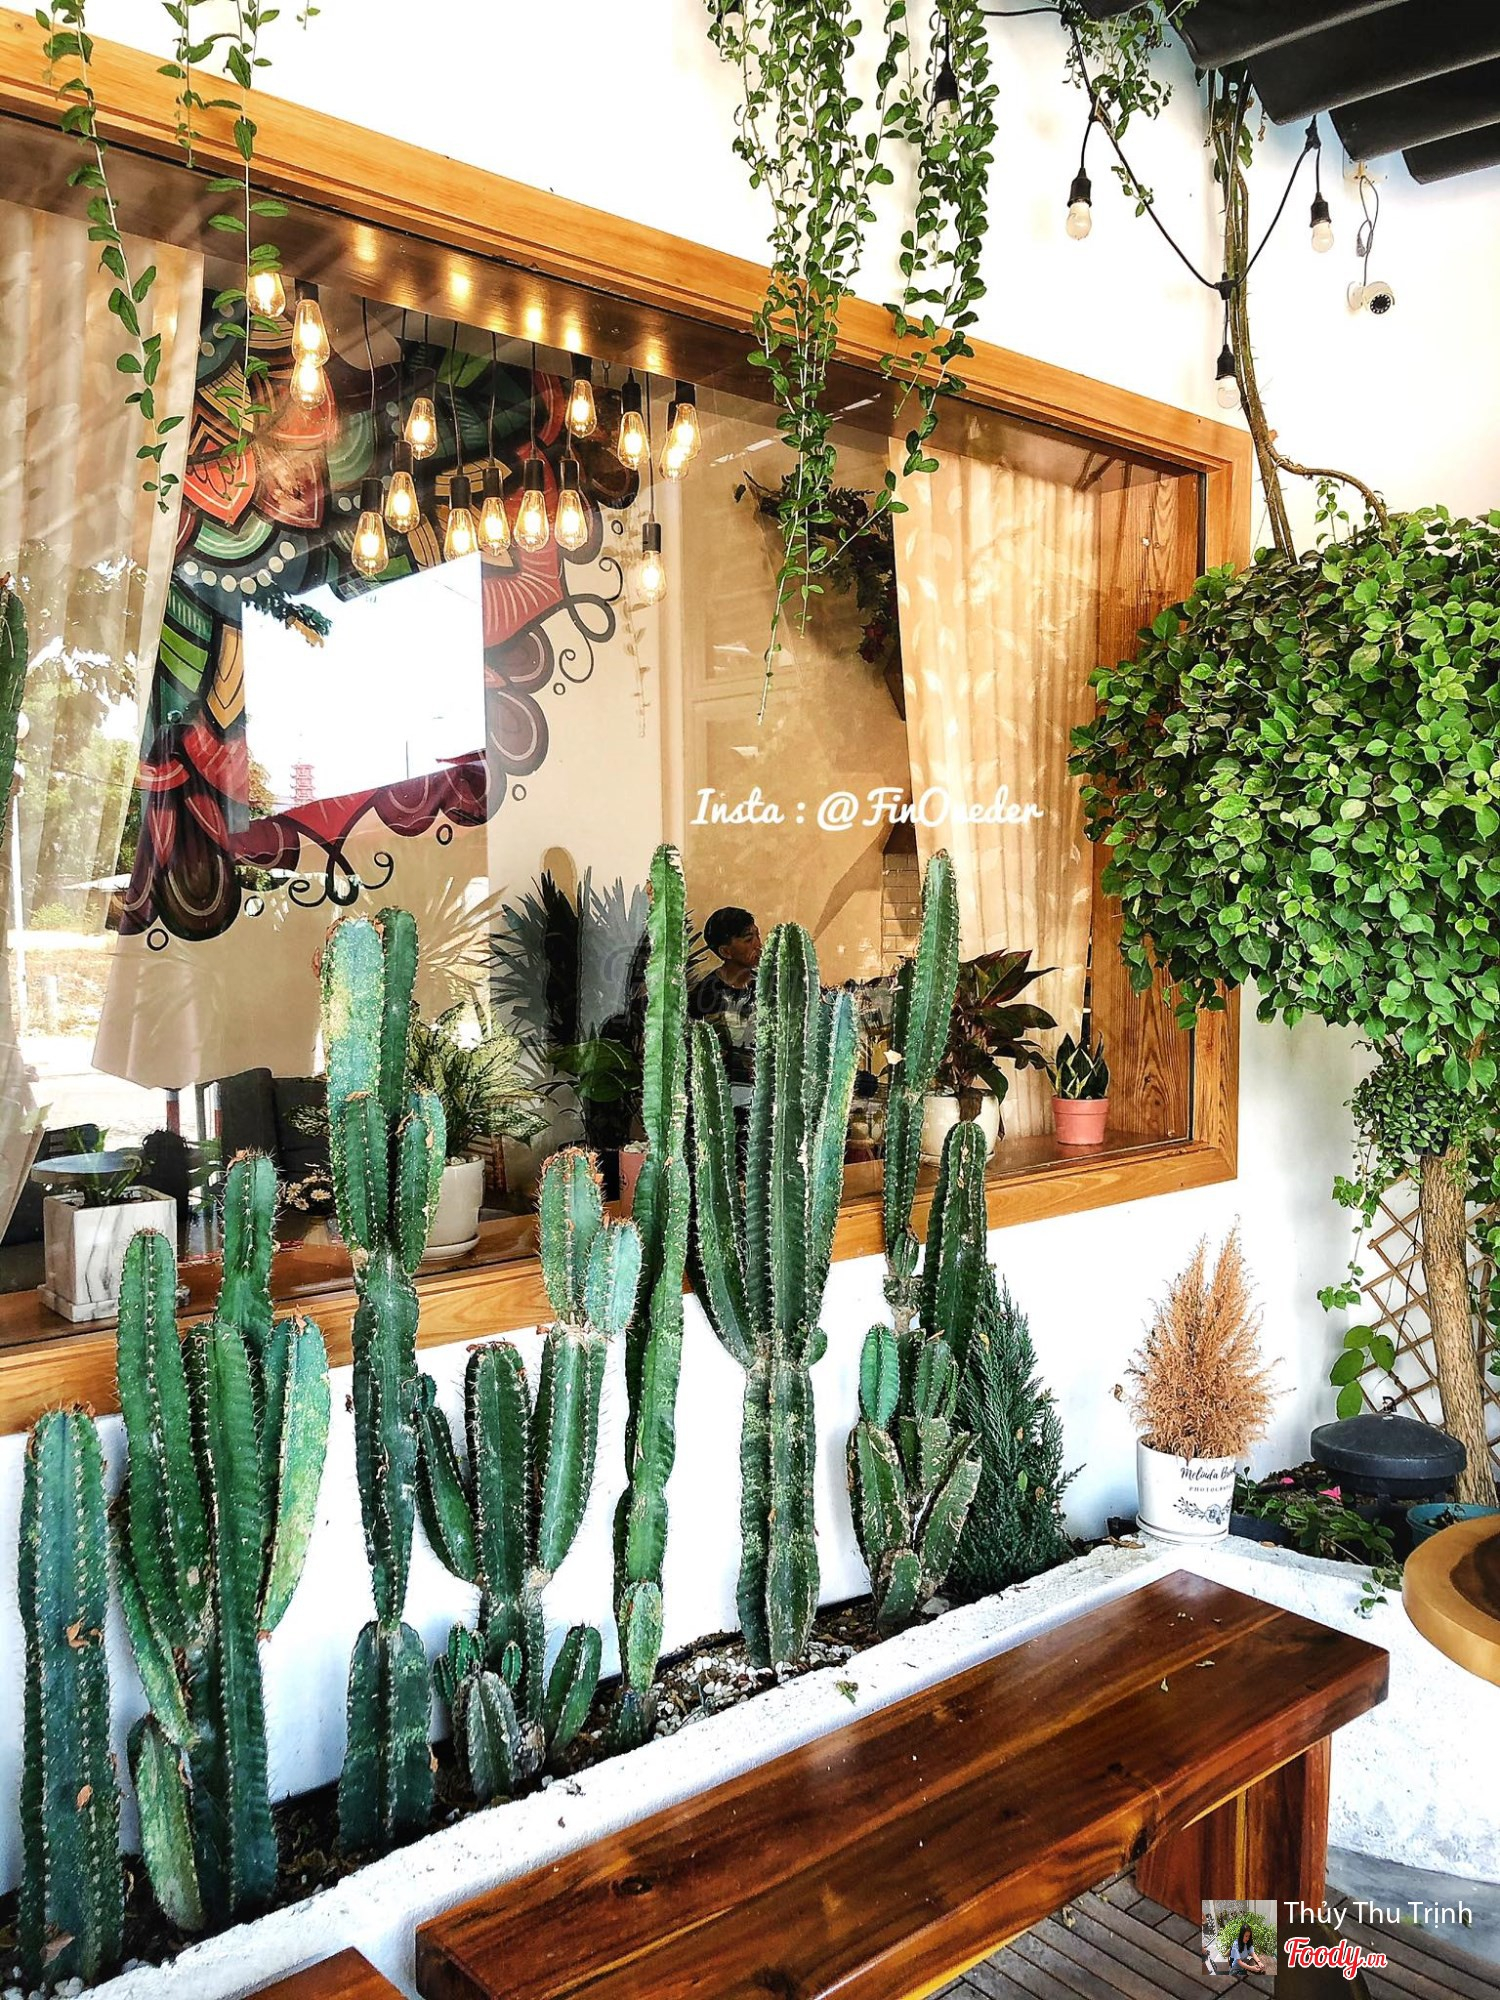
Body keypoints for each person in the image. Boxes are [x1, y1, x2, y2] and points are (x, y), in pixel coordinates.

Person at [690, 906, 762, 1112]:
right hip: (723, 1097)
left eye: (757, 935)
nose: (758, 945)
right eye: (748, 940)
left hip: (762, 1093)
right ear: (725, 951)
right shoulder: (707, 994)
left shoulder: (768, 986)